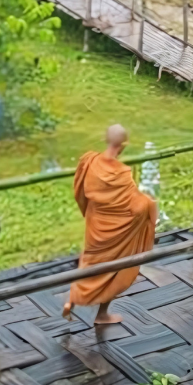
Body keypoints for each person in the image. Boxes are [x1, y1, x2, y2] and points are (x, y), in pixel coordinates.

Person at [63, 125, 157, 325]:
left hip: (96, 226)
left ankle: (74, 296)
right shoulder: (121, 174)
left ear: (106, 140)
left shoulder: (89, 162)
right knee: (114, 269)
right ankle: (102, 314)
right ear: (123, 145)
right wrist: (150, 204)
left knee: (90, 261)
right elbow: (137, 207)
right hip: (116, 233)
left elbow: (80, 190)